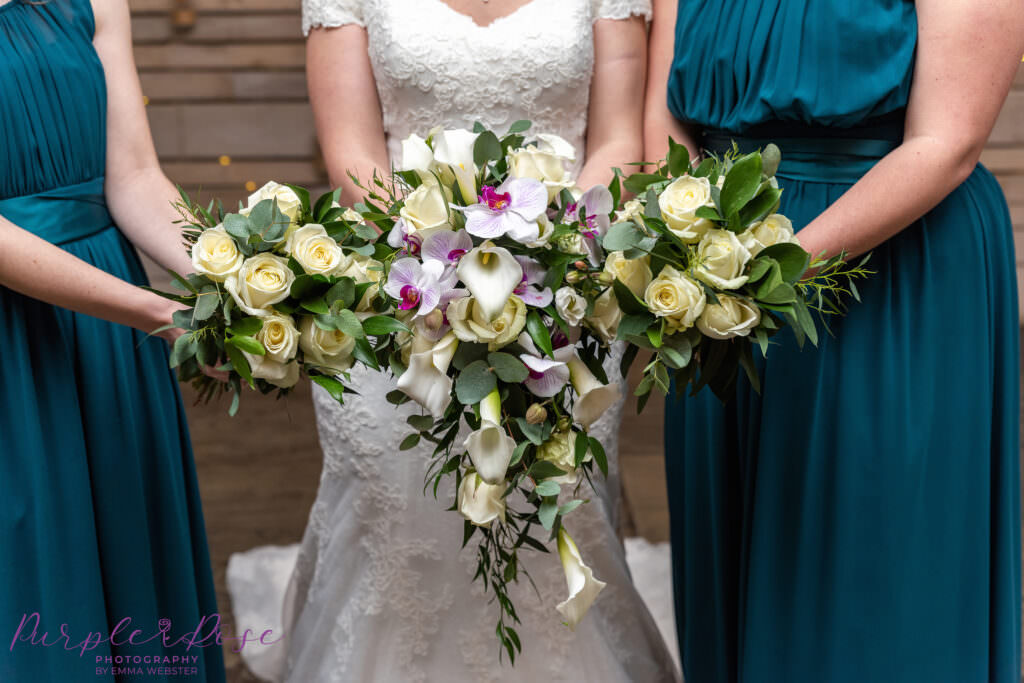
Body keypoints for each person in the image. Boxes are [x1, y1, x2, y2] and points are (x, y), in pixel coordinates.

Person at [228, 0, 679, 680]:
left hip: (563, 297)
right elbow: (354, 157)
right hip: (403, 292)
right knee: (399, 526)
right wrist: (443, 265)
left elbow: (619, 142)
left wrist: (548, 258)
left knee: (557, 511)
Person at [644, 0, 1023, 680]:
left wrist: (754, 282)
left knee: (877, 590)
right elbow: (666, 120)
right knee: (731, 574)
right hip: (714, 277)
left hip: (889, 275)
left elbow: (948, 142)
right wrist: (696, 264)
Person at [0, 0, 225, 679]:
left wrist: (234, 285)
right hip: (29, 340)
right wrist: (156, 313)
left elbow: (132, 176)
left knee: (128, 565)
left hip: (102, 346)